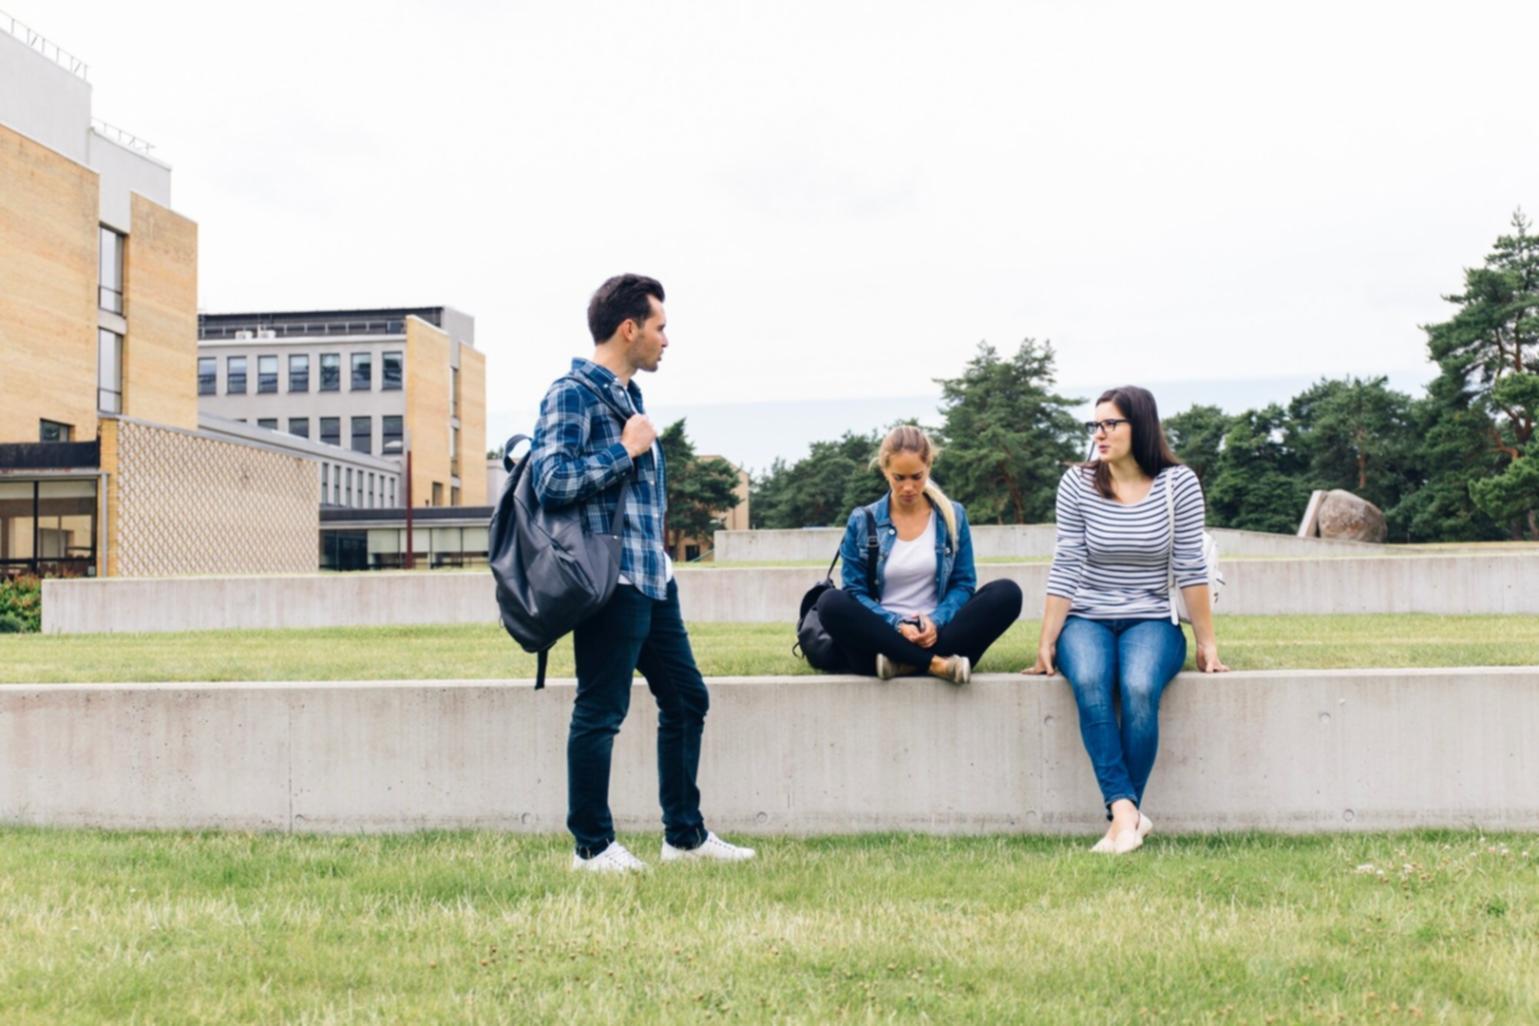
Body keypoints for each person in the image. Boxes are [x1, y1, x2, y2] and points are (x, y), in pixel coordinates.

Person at [530, 273, 755, 873]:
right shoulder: (571, 393)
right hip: (608, 581)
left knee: (686, 697)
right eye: (660, 327)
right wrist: (623, 452)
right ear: (629, 329)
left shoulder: (630, 399)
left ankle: (684, 837)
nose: (666, 340)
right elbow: (549, 482)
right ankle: (592, 848)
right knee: (601, 710)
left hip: (652, 580)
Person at [1024, 385, 1228, 855]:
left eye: (1110, 424)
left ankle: (1124, 820)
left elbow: (1192, 567)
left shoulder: (1180, 484)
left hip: (1153, 618)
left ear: (1141, 426)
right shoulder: (1077, 483)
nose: (1099, 434)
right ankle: (1125, 812)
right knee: (1092, 681)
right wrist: (1047, 639)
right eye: (1095, 424)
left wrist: (1207, 642)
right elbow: (1067, 562)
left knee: (1138, 686)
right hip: (1087, 618)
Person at [813, 426, 1023, 684]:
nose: (909, 487)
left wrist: (935, 621)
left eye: (917, 476)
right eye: (899, 478)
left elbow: (963, 583)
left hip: (939, 633)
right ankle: (937, 664)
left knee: (1007, 593)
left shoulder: (952, 516)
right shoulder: (862, 520)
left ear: (929, 467)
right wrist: (897, 624)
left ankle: (904, 664)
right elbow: (855, 592)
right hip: (881, 636)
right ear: (885, 471)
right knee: (830, 602)